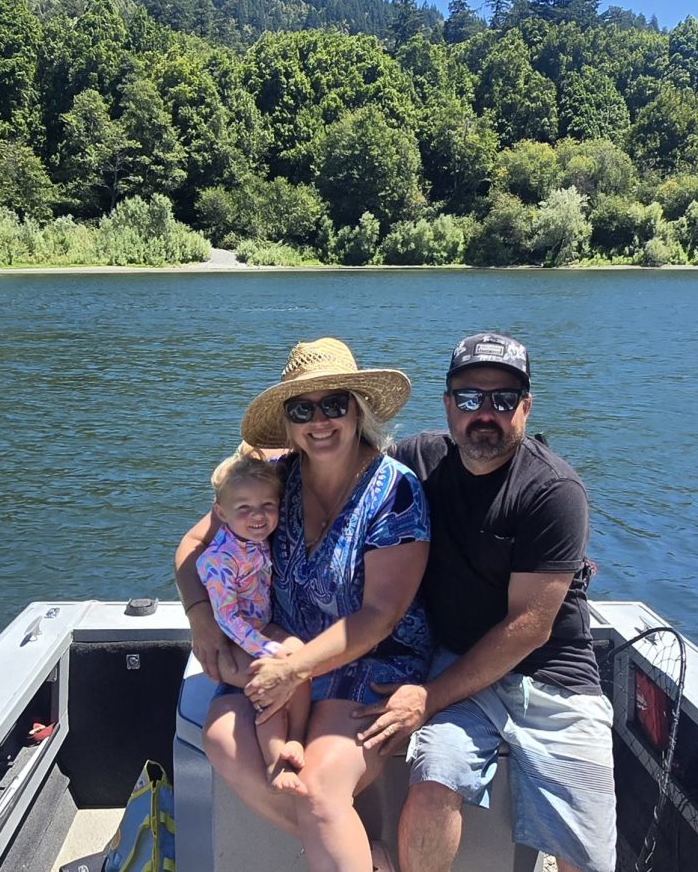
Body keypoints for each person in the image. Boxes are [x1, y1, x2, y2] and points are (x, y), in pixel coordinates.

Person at [353, 333, 617, 872]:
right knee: (430, 786)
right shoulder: (418, 461)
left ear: (525, 406)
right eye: (470, 398)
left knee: (586, 854)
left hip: (555, 680)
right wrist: (267, 466)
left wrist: (425, 699)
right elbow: (336, 463)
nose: (485, 414)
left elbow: (529, 627)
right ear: (448, 405)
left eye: (502, 400)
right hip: (459, 664)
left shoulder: (553, 491)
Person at [174, 337, 433, 872]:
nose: (320, 421)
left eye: (334, 404)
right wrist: (202, 620)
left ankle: (351, 852)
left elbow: (379, 615)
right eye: (302, 409)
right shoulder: (274, 478)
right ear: (288, 423)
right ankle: (366, 857)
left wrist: (295, 669)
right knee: (222, 738)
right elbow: (193, 548)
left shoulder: (395, 491)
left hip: (368, 658)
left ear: (358, 410)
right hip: (279, 645)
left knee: (317, 789)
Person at [194, 446, 310, 793]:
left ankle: (297, 738)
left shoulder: (254, 539)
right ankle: (276, 762)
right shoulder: (217, 560)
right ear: (221, 513)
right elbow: (226, 618)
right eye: (243, 509)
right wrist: (264, 647)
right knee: (268, 679)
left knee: (300, 658)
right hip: (237, 637)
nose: (257, 516)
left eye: (267, 506)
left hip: (262, 624)